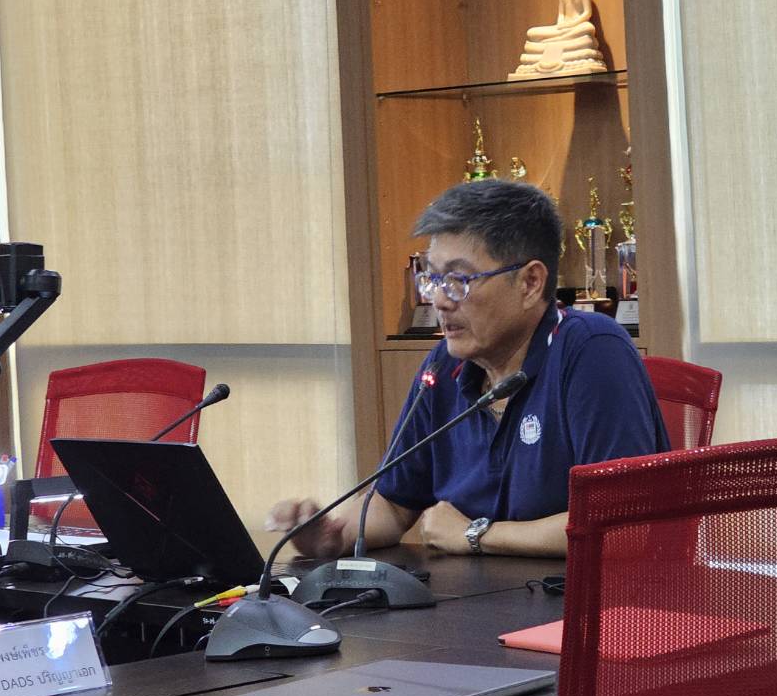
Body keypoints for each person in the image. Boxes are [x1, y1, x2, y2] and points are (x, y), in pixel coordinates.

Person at [268, 179, 668, 560]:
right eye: (433, 278)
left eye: (459, 279)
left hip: (591, 601)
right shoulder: (444, 366)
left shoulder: (592, 350)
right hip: (478, 597)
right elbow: (393, 504)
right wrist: (333, 536)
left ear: (530, 283)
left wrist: (475, 534)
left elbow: (622, 526)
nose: (440, 300)